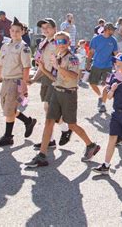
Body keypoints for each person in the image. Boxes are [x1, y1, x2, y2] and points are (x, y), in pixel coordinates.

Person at [25, 31, 101, 167]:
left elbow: (73, 76)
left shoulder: (72, 58)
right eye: (57, 42)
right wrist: (43, 69)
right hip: (56, 91)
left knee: (71, 124)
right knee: (49, 122)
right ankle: (42, 155)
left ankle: (91, 145)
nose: (60, 44)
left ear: (69, 43)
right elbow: (56, 78)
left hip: (68, 94)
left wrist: (58, 67)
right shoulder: (58, 57)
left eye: (63, 41)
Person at [0, 18, 37, 147]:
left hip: (16, 81)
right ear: (9, 31)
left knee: (9, 110)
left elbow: (26, 67)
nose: (14, 33)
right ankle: (28, 121)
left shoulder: (24, 47)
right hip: (5, 81)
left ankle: (8, 137)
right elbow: (0, 65)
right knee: (8, 109)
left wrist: (24, 85)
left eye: (18, 31)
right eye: (12, 30)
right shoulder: (5, 46)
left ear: (22, 32)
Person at [30, 17, 72, 149]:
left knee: (49, 110)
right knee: (47, 109)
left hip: (56, 79)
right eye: (43, 28)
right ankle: (62, 132)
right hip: (46, 79)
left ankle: (51, 139)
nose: (45, 29)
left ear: (55, 29)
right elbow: (42, 66)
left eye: (48, 27)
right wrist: (33, 79)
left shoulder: (58, 44)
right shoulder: (43, 43)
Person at [87, 23, 119, 113]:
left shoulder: (113, 40)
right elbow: (91, 52)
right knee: (92, 83)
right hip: (96, 65)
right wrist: (88, 63)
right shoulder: (96, 39)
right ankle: (100, 96)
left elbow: (116, 53)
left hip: (108, 66)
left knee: (107, 85)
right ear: (107, 29)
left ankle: (103, 105)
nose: (114, 31)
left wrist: (120, 64)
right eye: (112, 29)